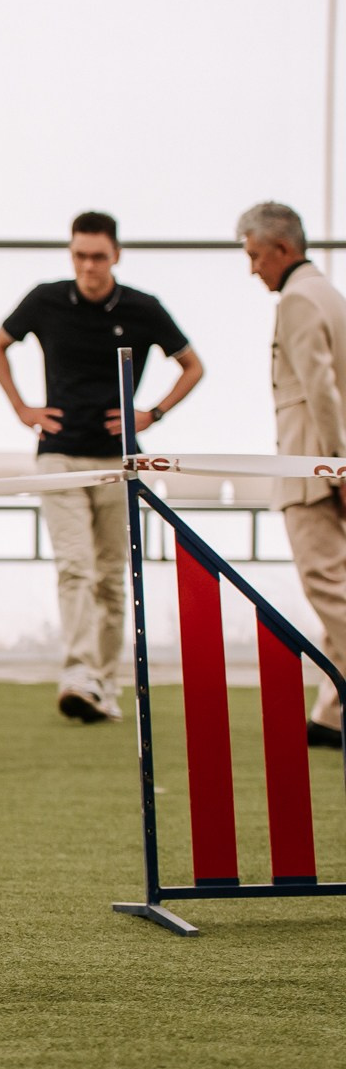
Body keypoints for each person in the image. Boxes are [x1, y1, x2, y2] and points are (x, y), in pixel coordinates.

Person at [0, 211, 205, 724]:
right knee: (75, 567)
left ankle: (104, 685)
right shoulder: (44, 298)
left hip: (119, 461)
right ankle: (79, 673)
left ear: (116, 256)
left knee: (110, 576)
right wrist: (21, 407)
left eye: (98, 256)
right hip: (58, 456)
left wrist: (153, 413)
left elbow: (193, 365)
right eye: (80, 255)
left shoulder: (143, 308)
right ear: (72, 254)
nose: (89, 265)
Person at [237, 202, 346, 749]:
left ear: (283, 249)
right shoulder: (329, 293)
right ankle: (330, 714)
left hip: (313, 470)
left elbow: (321, 389)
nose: (253, 268)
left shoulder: (299, 300)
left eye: (255, 255)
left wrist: (335, 464)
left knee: (332, 592)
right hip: (326, 464)